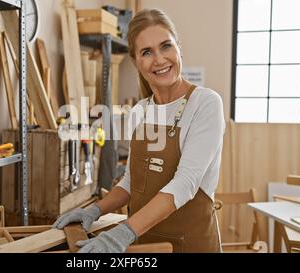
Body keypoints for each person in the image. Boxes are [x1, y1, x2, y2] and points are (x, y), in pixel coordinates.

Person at [53, 8, 225, 253]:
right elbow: (132, 182)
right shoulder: (140, 111)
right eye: (147, 52)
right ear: (135, 61)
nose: (159, 59)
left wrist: (123, 232)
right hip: (144, 244)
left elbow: (185, 183)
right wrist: (95, 209)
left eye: (166, 46)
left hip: (191, 245)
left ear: (179, 47)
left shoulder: (205, 103)